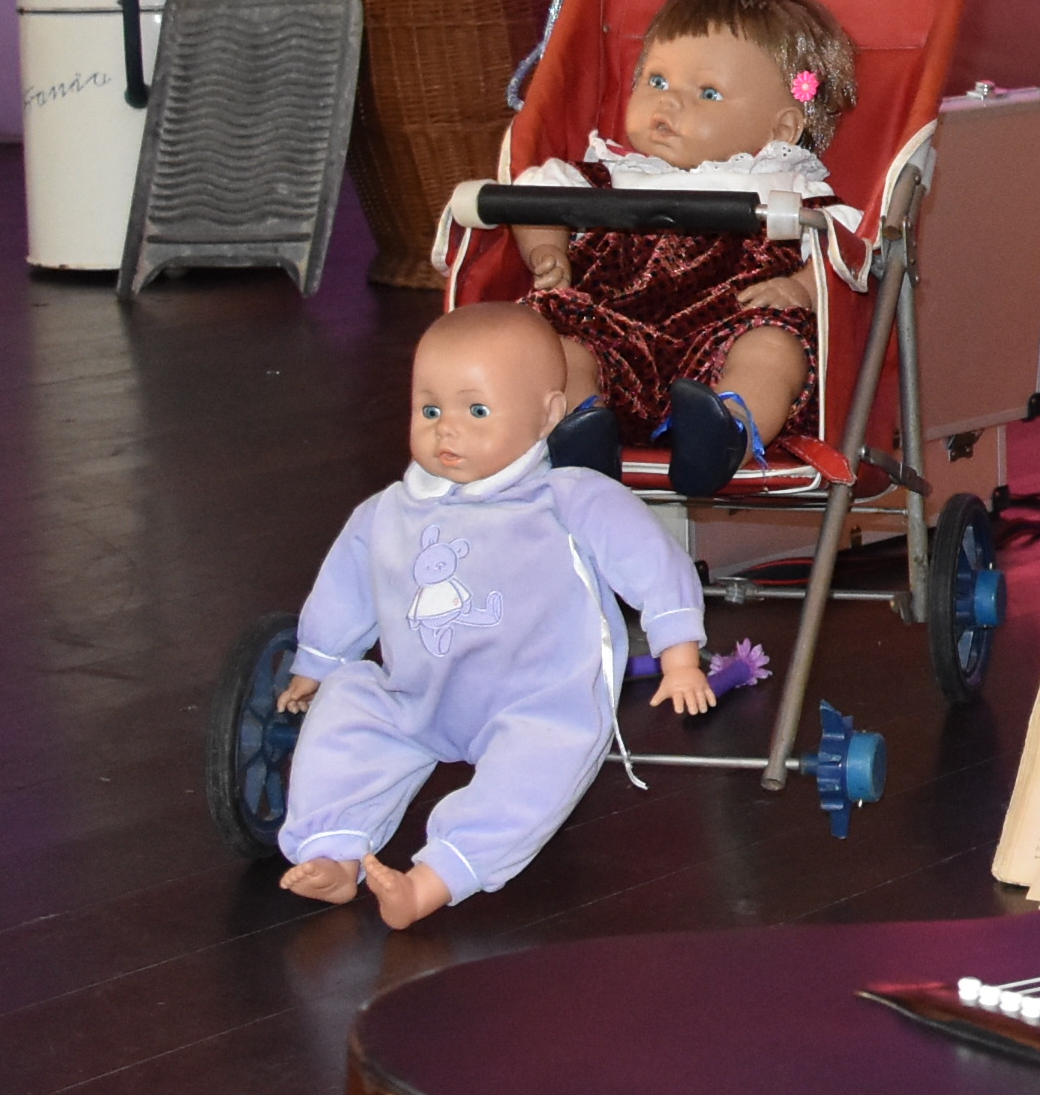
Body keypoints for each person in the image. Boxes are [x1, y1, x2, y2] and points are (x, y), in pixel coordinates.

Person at [276, 304, 717, 927]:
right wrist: (318, 664)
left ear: (548, 415)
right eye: (430, 411)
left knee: (538, 770)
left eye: (476, 411)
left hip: (536, 700)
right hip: (416, 693)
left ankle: (433, 880)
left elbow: (651, 562)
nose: (447, 432)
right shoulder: (387, 512)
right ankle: (333, 853)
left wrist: (679, 653)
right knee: (348, 711)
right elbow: (344, 589)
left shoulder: (568, 498)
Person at [513, 0, 856, 500]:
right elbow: (533, 198)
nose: (669, 101)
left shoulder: (782, 185)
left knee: (774, 348)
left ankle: (726, 430)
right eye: (656, 81)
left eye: (708, 93)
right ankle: (580, 429)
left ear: (782, 128)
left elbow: (849, 246)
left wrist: (803, 287)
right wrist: (546, 251)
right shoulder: (614, 174)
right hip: (613, 338)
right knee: (560, 349)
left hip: (726, 338)